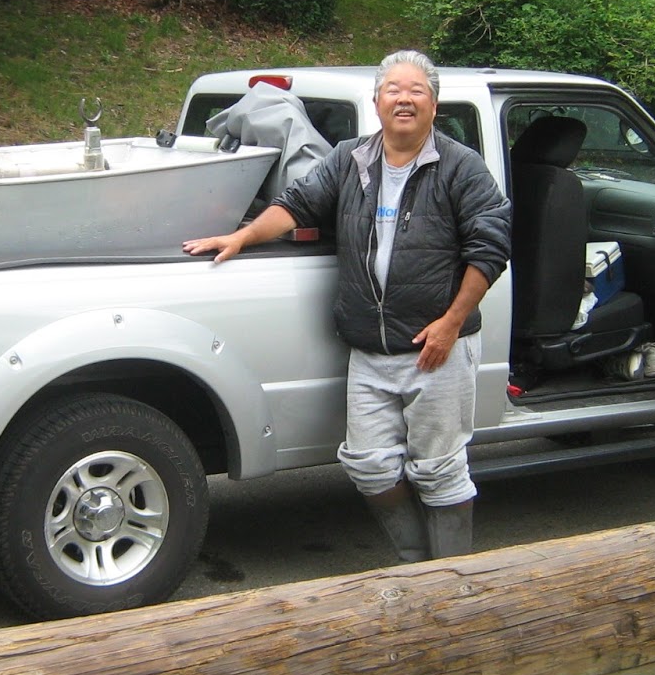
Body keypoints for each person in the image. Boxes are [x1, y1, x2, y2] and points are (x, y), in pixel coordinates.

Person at [183, 50, 511, 560]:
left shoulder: (461, 166)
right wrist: (242, 237)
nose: (404, 99)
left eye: (417, 90)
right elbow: (297, 204)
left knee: (440, 469)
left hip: (437, 348)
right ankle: (417, 566)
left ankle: (450, 582)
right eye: (393, 90)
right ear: (377, 102)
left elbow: (489, 247)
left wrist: (450, 323)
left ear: (434, 104)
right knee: (368, 465)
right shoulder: (350, 158)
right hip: (369, 350)